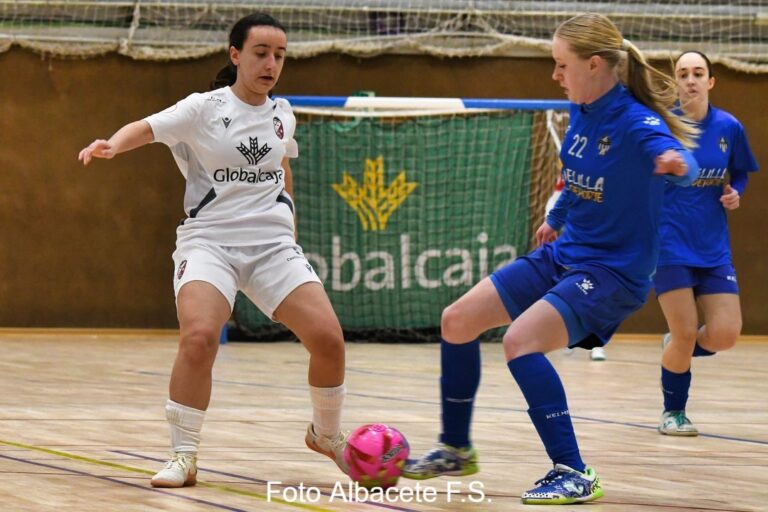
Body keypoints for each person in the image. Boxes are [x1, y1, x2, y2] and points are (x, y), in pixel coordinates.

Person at [402, 13, 699, 505]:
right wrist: (558, 214)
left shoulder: (635, 121)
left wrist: (677, 165)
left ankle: (574, 470)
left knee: (520, 342)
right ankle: (455, 448)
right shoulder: (583, 107)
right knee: (456, 321)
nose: (555, 75)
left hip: (612, 273)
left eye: (562, 65)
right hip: (566, 253)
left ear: (596, 65)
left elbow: (677, 161)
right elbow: (575, 172)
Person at [78, 13, 349, 487]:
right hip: (210, 242)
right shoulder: (203, 108)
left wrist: (289, 225)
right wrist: (112, 146)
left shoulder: (283, 114)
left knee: (328, 339)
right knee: (200, 336)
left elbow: (282, 168)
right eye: (261, 53)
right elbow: (146, 127)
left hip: (271, 245)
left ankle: (325, 434)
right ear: (236, 54)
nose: (271, 64)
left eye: (280, 55)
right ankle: (183, 455)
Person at [654, 51, 758, 436]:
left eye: (699, 73)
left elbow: (741, 172)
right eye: (684, 74)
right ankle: (673, 413)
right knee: (684, 332)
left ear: (711, 81)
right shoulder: (661, 127)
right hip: (668, 245)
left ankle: (676, 349)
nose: (691, 79)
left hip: (712, 247)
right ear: (675, 82)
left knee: (726, 334)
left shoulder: (729, 127)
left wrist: (736, 193)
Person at [545, 176, 607, 362]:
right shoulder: (570, 173)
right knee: (568, 291)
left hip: (602, 242)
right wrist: (553, 221)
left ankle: (596, 345)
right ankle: (565, 335)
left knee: (598, 293)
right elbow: (556, 199)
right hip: (573, 242)